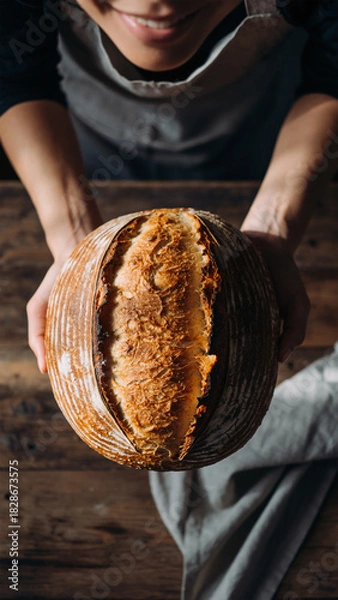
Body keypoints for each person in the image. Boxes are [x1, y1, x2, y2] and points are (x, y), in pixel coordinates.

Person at [0, 0, 337, 374]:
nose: (155, 3)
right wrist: (72, 238)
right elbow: (17, 78)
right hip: (85, 150)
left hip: (269, 146)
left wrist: (274, 224)